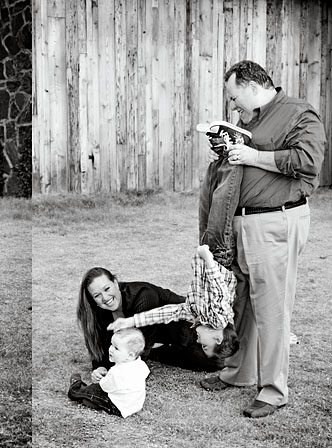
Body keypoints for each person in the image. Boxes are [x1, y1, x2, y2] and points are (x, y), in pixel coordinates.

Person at [198, 60, 326, 418]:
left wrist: (254, 156)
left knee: (271, 309)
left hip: (275, 223)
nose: (233, 106)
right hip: (242, 224)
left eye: (235, 96)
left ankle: (273, 390)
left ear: (253, 86)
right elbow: (246, 165)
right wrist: (223, 156)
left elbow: (309, 161)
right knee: (245, 304)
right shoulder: (251, 118)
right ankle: (240, 372)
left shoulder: (299, 113)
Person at [77, 267, 222, 383]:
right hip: (158, 338)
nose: (105, 297)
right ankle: (159, 348)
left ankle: (160, 349)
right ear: (93, 300)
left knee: (213, 361)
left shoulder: (143, 296)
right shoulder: (98, 311)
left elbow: (142, 347)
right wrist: (100, 367)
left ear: (115, 283)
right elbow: (100, 345)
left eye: (107, 289)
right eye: (97, 295)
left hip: (188, 328)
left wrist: (117, 372)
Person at [107, 245, 239, 360]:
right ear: (218, 339)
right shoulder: (219, 321)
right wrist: (209, 260)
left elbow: (168, 313)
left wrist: (130, 322)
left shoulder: (197, 316)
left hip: (207, 253)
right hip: (217, 256)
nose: (198, 341)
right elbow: (220, 292)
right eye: (204, 345)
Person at [68, 329, 150, 418]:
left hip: (117, 406)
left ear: (130, 355)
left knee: (92, 390)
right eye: (111, 344)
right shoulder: (141, 365)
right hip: (133, 405)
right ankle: (89, 399)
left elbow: (104, 387)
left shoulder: (117, 372)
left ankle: (76, 387)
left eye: (116, 348)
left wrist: (102, 379)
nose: (111, 349)